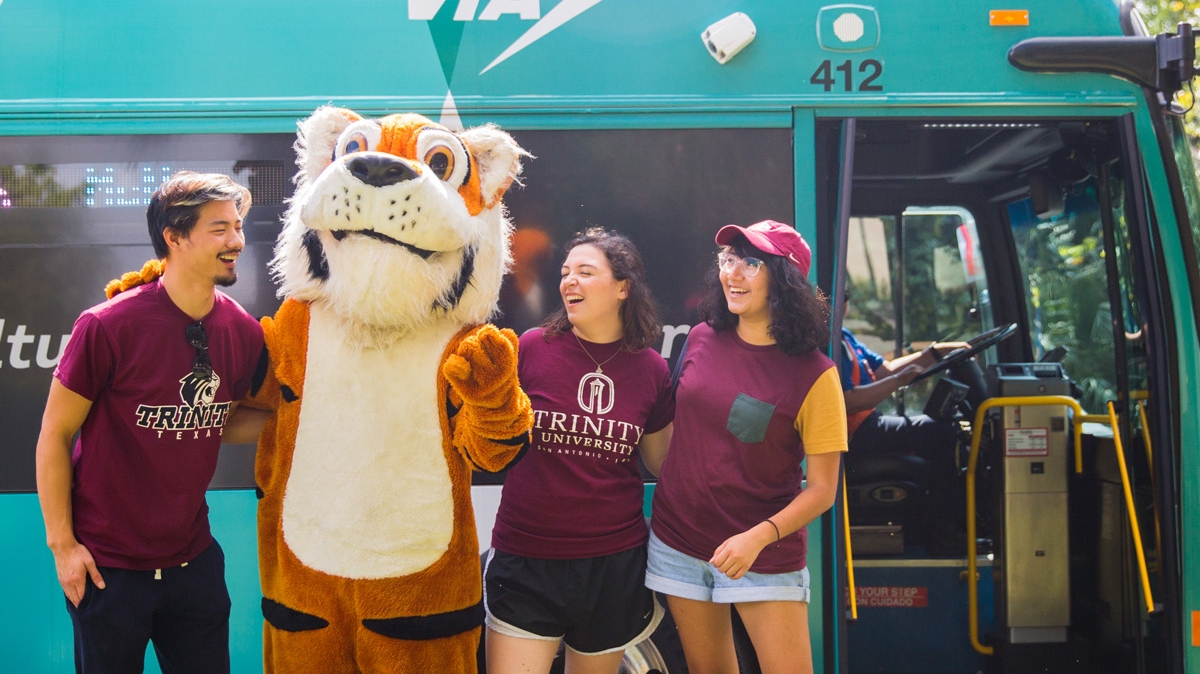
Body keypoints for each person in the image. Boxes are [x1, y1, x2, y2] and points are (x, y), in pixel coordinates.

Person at [35, 171, 265, 674]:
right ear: (175, 237)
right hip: (107, 571)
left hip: (195, 566)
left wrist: (296, 422)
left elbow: (220, 422)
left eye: (238, 226)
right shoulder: (107, 326)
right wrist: (64, 546)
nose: (237, 242)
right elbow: (55, 433)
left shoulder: (243, 331)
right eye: (219, 229)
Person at [647, 220, 846, 674]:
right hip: (678, 543)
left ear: (786, 281)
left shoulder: (816, 375)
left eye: (751, 263)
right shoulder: (700, 337)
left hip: (762, 556)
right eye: (729, 260)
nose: (733, 274)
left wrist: (757, 538)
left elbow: (822, 490)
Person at [484, 227, 675, 674]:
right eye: (566, 272)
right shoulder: (531, 348)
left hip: (613, 566)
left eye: (586, 272)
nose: (569, 281)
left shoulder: (651, 369)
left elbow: (661, 463)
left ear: (623, 287)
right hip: (526, 560)